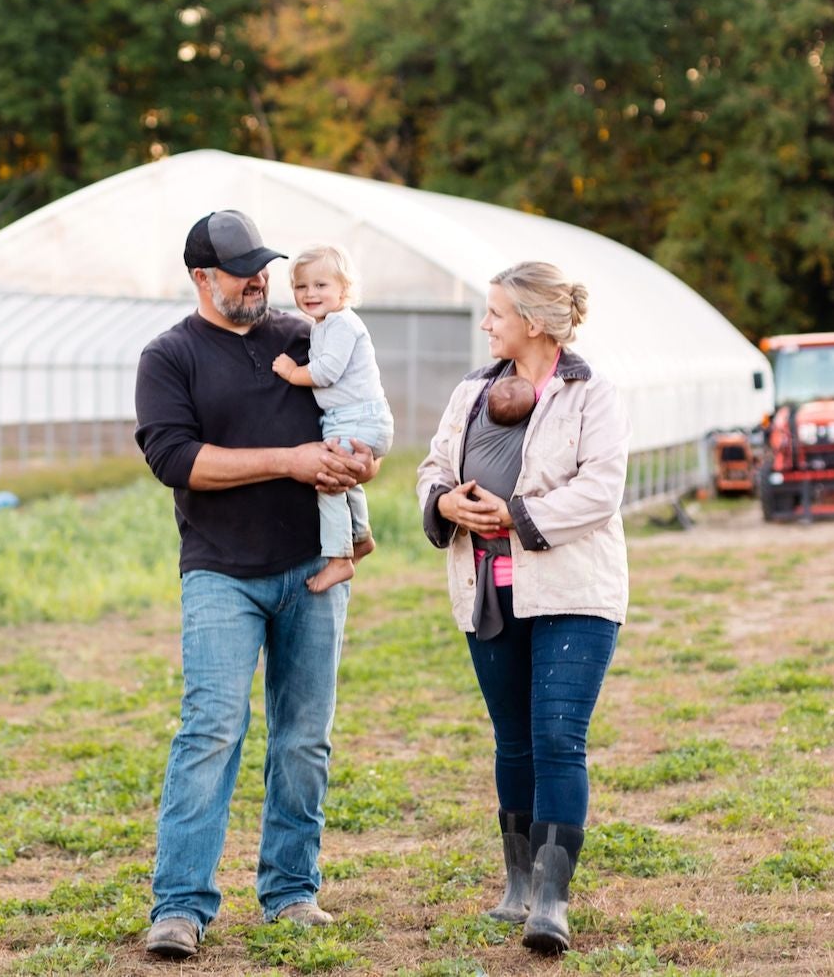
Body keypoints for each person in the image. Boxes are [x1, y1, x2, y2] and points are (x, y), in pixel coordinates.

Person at [134, 209, 377, 960]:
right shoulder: (169, 356)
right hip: (220, 572)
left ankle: (291, 891)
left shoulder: (302, 334)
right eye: (243, 270)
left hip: (312, 566)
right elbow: (177, 460)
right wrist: (290, 459)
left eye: (263, 267)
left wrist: (356, 459)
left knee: (304, 739)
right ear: (202, 277)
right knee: (211, 729)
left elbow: (353, 410)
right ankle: (179, 906)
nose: (261, 281)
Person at [416, 261, 630, 955]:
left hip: (572, 592)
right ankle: (515, 886)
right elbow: (433, 465)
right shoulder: (470, 392)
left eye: (495, 314)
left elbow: (600, 490)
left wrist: (513, 515)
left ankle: (551, 899)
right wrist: (444, 501)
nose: (484, 325)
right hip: (489, 590)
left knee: (557, 739)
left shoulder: (590, 394)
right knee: (512, 741)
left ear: (532, 323)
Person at [270, 245, 395, 593]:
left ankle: (340, 559)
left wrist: (293, 372)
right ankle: (360, 537)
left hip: (358, 418)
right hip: (351, 419)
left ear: (344, 289)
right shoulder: (326, 323)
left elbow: (327, 371)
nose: (310, 293)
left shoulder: (342, 323)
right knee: (346, 481)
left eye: (321, 285)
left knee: (327, 479)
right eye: (301, 286)